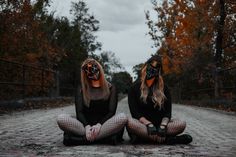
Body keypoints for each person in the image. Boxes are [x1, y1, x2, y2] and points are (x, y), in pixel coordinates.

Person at [57, 58, 127, 146]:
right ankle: (103, 139)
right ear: (85, 74)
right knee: (61, 118)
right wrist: (87, 127)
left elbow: (111, 112)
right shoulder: (81, 89)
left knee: (123, 117)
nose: (94, 75)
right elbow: (79, 112)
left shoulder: (111, 88)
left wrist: (99, 125)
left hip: (104, 125)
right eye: (89, 72)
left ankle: (81, 140)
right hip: (84, 126)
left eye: (95, 70)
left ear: (100, 70)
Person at [126, 55, 192, 144]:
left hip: (160, 125)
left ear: (159, 72)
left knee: (181, 123)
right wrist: (149, 124)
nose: (152, 70)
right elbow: (135, 113)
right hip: (143, 125)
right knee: (130, 123)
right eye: (150, 66)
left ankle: (146, 139)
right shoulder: (134, 88)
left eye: (156, 68)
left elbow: (168, 113)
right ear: (145, 67)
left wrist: (163, 126)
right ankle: (168, 140)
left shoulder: (164, 88)